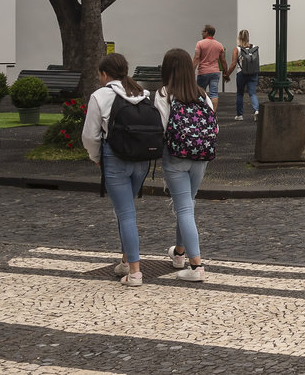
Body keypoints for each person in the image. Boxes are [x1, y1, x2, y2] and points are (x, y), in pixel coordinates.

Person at [80, 53, 155, 286]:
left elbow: (90, 135)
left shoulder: (100, 95)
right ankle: (125, 261)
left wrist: (96, 158)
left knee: (125, 214)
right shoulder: (142, 93)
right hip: (142, 159)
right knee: (127, 209)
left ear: (104, 74)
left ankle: (134, 271)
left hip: (114, 159)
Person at [158, 47, 214, 281]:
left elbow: (162, 126)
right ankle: (179, 253)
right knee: (187, 205)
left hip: (175, 157)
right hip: (200, 157)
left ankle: (196, 266)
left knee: (184, 208)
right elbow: (214, 125)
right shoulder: (200, 93)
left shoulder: (165, 93)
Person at [193, 25, 226, 112]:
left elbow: (196, 58)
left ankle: (200, 112)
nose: (202, 33)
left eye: (203, 31)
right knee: (214, 94)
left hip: (203, 71)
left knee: (200, 93)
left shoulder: (200, 43)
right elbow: (223, 61)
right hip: (215, 71)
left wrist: (192, 69)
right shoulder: (219, 45)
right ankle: (213, 114)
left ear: (207, 32)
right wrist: (226, 72)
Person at [232, 29, 260, 122]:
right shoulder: (254, 47)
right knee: (252, 93)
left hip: (241, 73)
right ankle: (256, 110)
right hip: (253, 73)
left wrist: (227, 74)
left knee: (240, 94)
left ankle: (239, 115)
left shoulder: (238, 49)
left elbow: (233, 64)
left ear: (239, 38)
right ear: (248, 37)